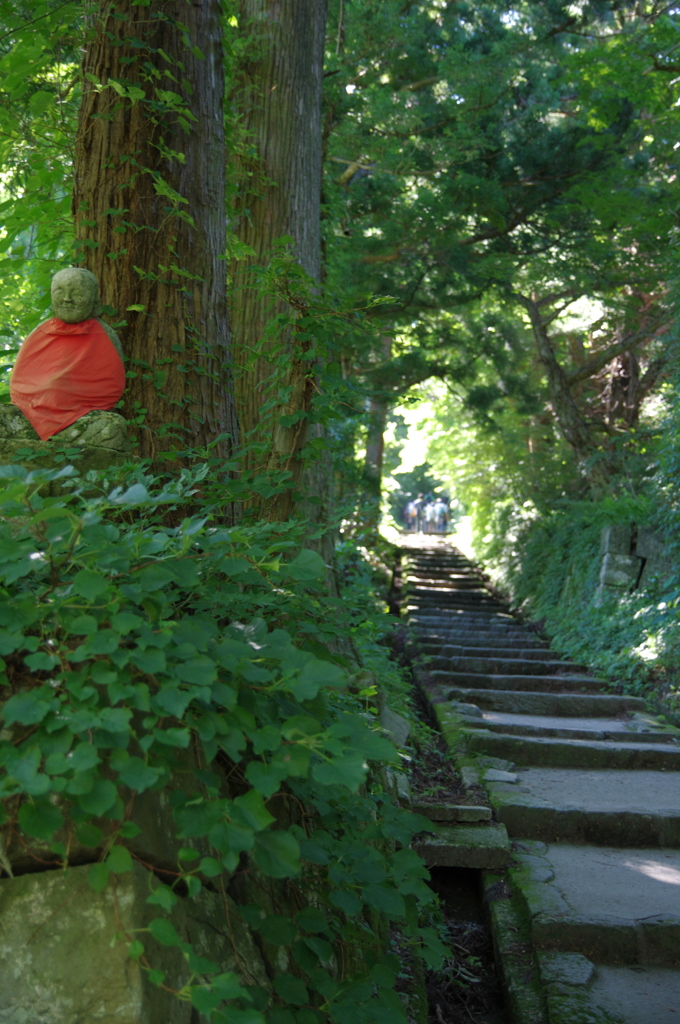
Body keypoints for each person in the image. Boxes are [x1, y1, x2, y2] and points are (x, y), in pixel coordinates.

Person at [10, 267, 125, 440]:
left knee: (111, 428)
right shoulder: (41, 332)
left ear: (94, 299)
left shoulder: (103, 334)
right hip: (32, 413)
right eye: (59, 291)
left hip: (83, 416)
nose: (67, 299)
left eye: (77, 292)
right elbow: (21, 381)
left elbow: (111, 384)